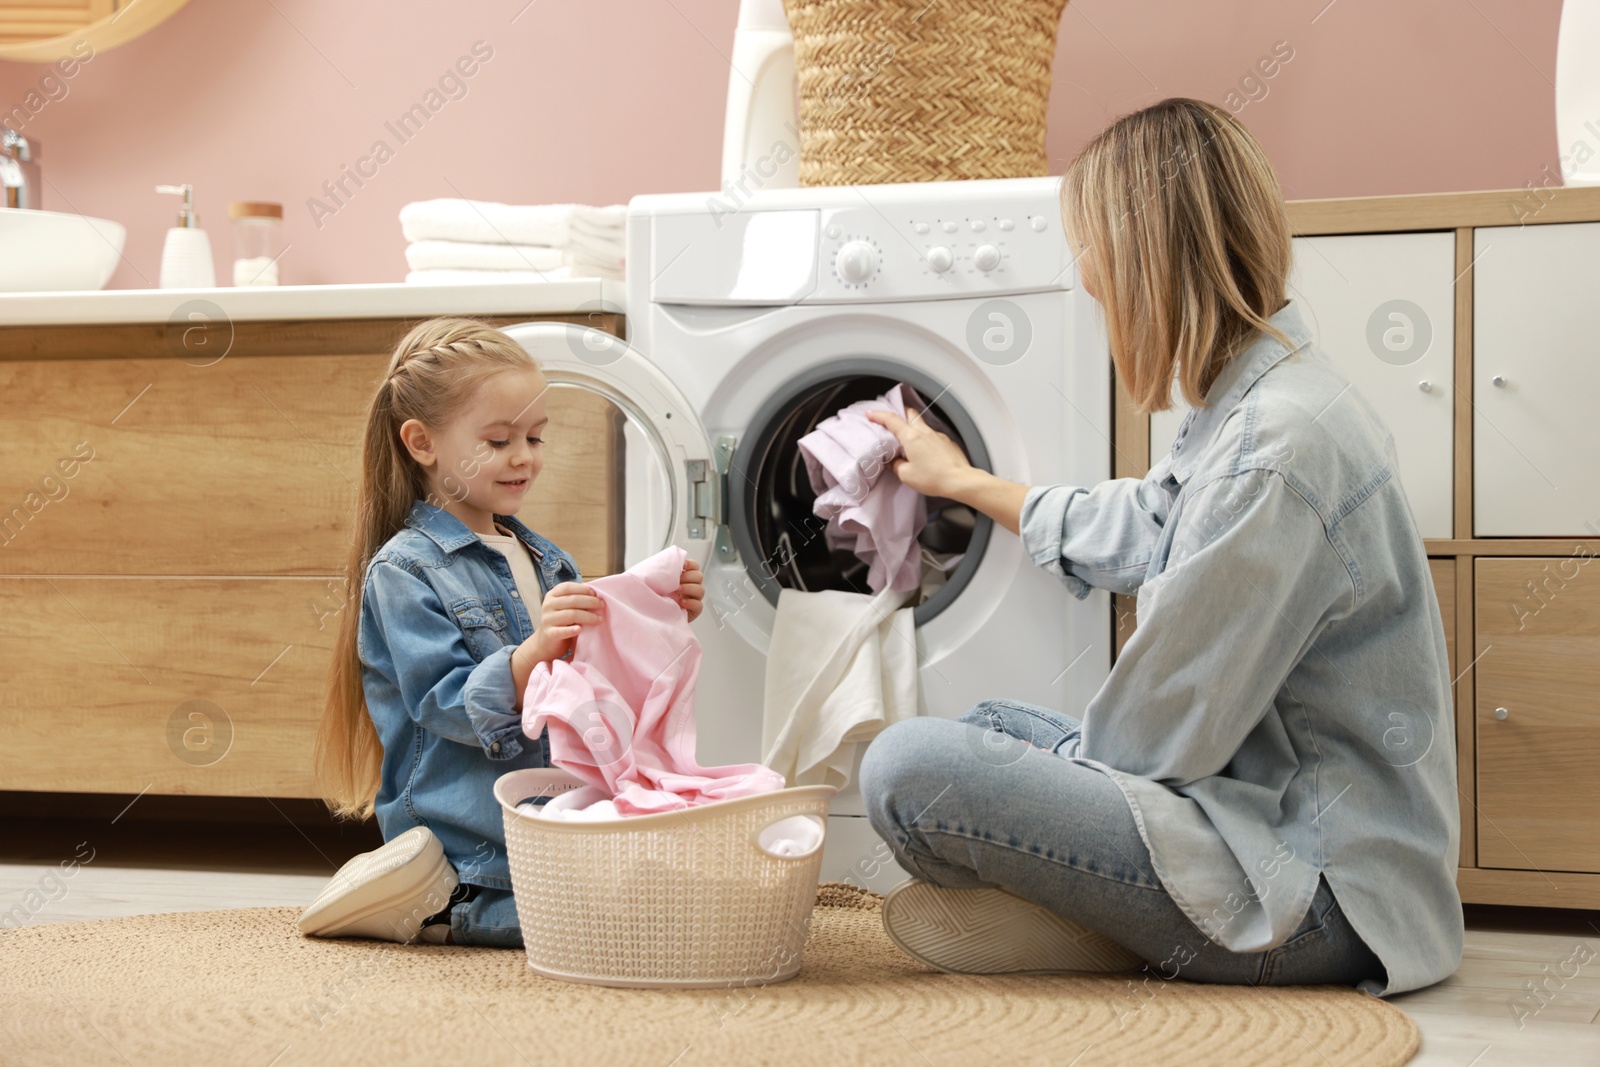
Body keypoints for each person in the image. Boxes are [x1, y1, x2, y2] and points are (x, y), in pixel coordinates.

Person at [859, 97, 1463, 998]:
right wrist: (966, 483)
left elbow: (1155, 737)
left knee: (907, 768)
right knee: (991, 727)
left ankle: (1098, 928)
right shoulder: (1265, 400)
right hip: (1263, 815)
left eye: (1091, 248)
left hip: (1314, 887)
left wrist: (1043, 788)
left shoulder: (1273, 452)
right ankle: (1088, 919)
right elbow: (1147, 523)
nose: (1087, 278)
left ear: (1145, 258)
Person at [298, 317, 704, 947]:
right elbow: (444, 701)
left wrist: (655, 613)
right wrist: (536, 651)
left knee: (672, 897)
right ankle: (428, 906)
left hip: (543, 827)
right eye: (497, 440)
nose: (524, 456)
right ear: (421, 442)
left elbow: (591, 678)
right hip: (469, 850)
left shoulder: (546, 559)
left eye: (535, 437)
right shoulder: (404, 570)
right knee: (604, 928)